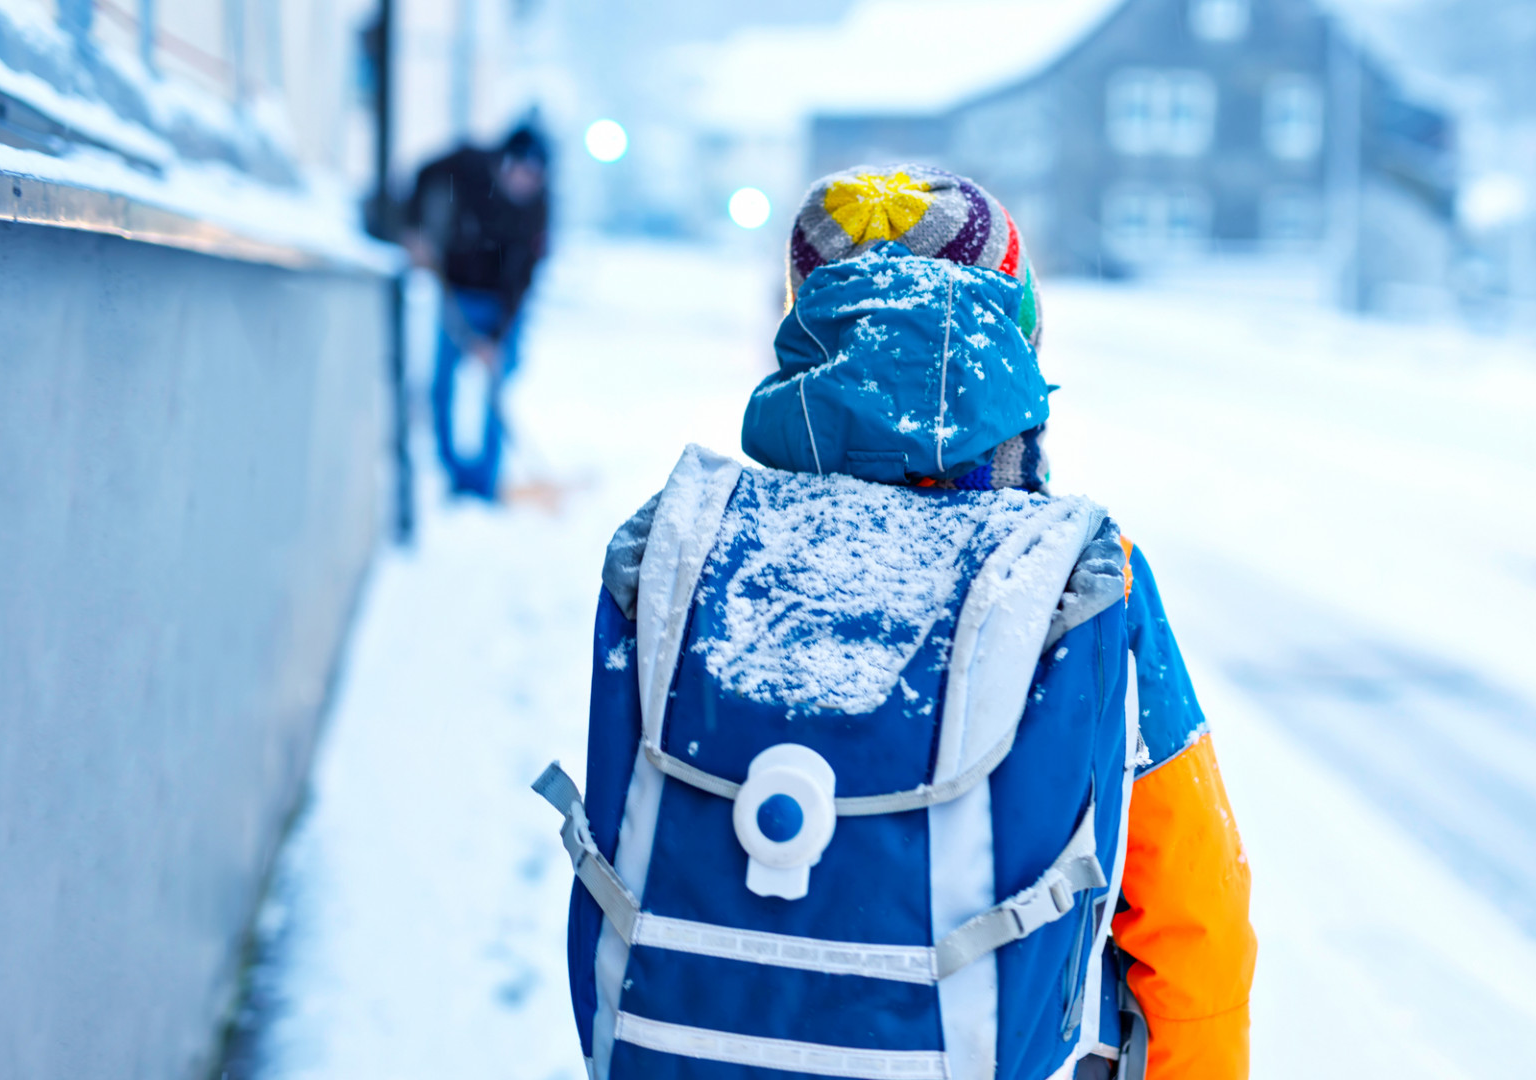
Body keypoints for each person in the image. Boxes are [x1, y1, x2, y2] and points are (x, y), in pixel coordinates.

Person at [533, 165, 1254, 1080]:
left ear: (806, 328)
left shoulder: (685, 543)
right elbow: (1197, 921)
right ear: (1014, 336)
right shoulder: (1083, 580)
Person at [404, 125, 550, 502]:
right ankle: (453, 473)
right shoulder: (467, 164)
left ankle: (485, 482)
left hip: (503, 303)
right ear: (504, 163)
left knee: (496, 387)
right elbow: (423, 174)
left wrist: (497, 339)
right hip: (457, 292)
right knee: (441, 386)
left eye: (535, 179)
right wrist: (415, 229)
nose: (526, 185)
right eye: (521, 174)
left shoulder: (538, 206)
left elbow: (526, 275)